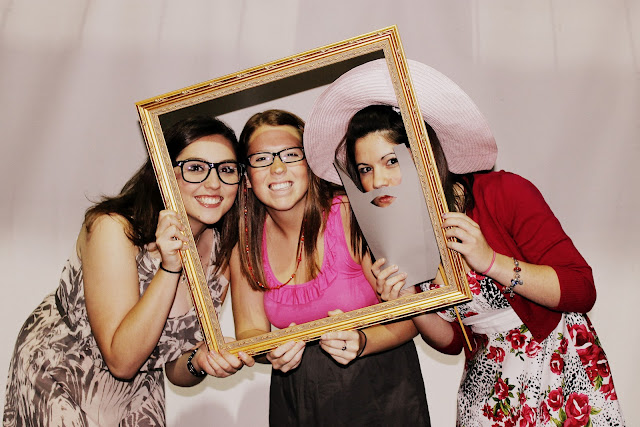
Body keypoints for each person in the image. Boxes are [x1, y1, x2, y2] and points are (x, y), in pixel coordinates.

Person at [303, 59, 625, 426]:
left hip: (557, 369)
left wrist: (490, 261)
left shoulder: (502, 193)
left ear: (423, 153)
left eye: (391, 161)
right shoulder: (396, 236)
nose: (378, 181)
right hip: (489, 386)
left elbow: (581, 290)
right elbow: (454, 341)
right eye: (365, 169)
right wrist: (411, 303)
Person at [3, 116, 254, 426]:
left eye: (226, 169)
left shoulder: (222, 251)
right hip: (62, 373)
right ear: (164, 174)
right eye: (195, 168)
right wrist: (170, 268)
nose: (214, 183)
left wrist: (199, 361)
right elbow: (121, 360)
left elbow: (174, 367)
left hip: (138, 386)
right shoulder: (113, 229)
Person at [230, 109, 431, 426]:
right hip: (296, 398)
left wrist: (362, 341)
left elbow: (412, 316)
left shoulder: (352, 214)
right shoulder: (245, 243)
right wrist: (270, 350)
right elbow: (249, 331)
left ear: (311, 163)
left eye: (291, 154)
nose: (278, 168)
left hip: (381, 391)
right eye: (261, 159)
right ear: (246, 175)